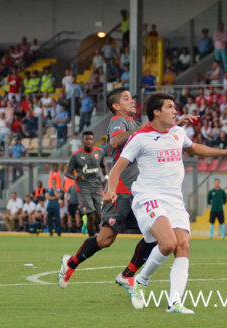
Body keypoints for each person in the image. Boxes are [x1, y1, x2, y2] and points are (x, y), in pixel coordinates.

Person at [106, 92, 227, 313]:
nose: (175, 111)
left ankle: (174, 302)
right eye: (170, 107)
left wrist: (225, 152)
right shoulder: (140, 137)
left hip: (174, 199)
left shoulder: (178, 132)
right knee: (168, 243)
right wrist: (111, 189)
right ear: (156, 112)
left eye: (174, 107)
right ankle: (140, 281)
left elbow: (194, 148)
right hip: (148, 197)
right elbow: (118, 167)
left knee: (183, 245)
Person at [58, 88, 157, 290]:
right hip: (120, 190)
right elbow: (115, 141)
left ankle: (127, 274)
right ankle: (70, 263)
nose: (132, 101)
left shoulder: (136, 124)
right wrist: (144, 128)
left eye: (132, 97)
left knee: (156, 234)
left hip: (139, 192)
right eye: (126, 98)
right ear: (116, 106)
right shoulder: (118, 122)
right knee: (105, 240)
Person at [64, 130, 106, 237]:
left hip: (97, 186)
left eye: (91, 139)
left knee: (99, 215)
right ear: (82, 141)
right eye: (86, 139)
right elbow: (67, 172)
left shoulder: (99, 152)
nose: (89, 141)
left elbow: (103, 166)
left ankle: (88, 226)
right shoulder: (76, 156)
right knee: (90, 214)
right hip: (83, 187)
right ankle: (91, 239)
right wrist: (75, 177)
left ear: (93, 141)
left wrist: (106, 179)